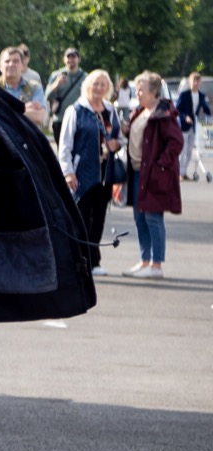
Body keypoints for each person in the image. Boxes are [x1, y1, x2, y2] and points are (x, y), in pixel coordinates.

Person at [57, 69, 123, 273]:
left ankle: (94, 261)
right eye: (95, 84)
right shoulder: (76, 110)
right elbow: (65, 145)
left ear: (108, 88)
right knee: (82, 218)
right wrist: (68, 172)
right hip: (82, 173)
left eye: (103, 84)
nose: (99, 88)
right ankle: (80, 261)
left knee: (99, 219)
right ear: (88, 85)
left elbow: (120, 138)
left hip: (105, 174)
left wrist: (116, 144)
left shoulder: (110, 110)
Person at [122, 71, 183, 279]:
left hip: (153, 174)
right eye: (137, 89)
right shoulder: (141, 111)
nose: (137, 93)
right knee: (140, 217)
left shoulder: (164, 113)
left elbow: (176, 142)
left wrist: (160, 166)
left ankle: (156, 266)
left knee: (152, 218)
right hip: (137, 172)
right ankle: (144, 261)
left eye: (141, 90)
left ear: (154, 91)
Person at [0, 45, 48, 131]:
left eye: (16, 61)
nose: (11, 64)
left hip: (27, 137)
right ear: (0, 66)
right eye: (7, 61)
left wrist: (4, 110)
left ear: (23, 66)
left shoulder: (35, 88)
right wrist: (23, 108)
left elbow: (38, 117)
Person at [175, 70, 208, 183]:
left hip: (194, 127)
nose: (195, 83)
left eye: (198, 81)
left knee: (189, 151)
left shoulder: (201, 96)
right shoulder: (184, 95)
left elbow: (206, 109)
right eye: (194, 80)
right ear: (190, 81)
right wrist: (185, 117)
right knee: (183, 151)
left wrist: (208, 115)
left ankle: (184, 172)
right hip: (184, 126)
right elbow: (177, 110)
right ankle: (180, 173)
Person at [45, 48, 86, 132]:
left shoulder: (85, 77)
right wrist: (56, 84)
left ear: (79, 59)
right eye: (68, 57)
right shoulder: (55, 75)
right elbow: (47, 97)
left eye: (73, 57)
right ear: (64, 59)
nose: (70, 60)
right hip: (60, 119)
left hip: (79, 119)